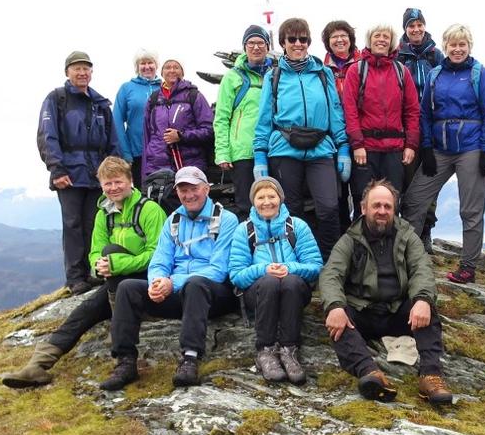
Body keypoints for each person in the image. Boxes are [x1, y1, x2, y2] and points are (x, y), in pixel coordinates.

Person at [2, 157, 166, 388]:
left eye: (118, 182)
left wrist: (116, 264)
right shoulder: (103, 214)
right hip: (115, 283)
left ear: (130, 181)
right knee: (85, 309)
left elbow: (158, 254)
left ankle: (121, 341)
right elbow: (95, 251)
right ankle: (38, 365)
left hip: (145, 281)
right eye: (107, 184)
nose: (113, 188)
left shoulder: (150, 210)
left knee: (111, 257)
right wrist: (99, 266)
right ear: (101, 186)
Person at [99, 166, 240, 391]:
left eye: (193, 188)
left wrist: (173, 282)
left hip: (214, 294)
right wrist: (157, 282)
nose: (188, 194)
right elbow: (159, 261)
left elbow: (218, 270)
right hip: (177, 293)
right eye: (182, 190)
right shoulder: (173, 220)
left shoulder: (227, 220)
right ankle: (125, 362)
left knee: (196, 283)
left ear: (206, 189)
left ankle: (190, 359)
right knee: (127, 288)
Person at [319, 180, 451, 405]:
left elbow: (422, 269)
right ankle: (370, 373)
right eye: (376, 205)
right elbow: (330, 275)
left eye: (387, 206)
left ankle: (431, 376)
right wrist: (334, 306)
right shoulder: (350, 239)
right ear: (364, 208)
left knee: (427, 307)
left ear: (394, 209)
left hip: (398, 311)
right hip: (363, 311)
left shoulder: (407, 235)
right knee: (338, 319)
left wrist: (421, 299)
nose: (382, 211)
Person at [401, 24, 485, 284]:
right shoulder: (436, 75)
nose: (457, 49)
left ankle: (467, 267)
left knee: (471, 210)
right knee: (413, 200)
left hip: (471, 147)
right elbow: (424, 113)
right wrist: (427, 148)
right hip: (440, 149)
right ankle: (408, 260)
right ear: (445, 47)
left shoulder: (479, 73)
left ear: (469, 46)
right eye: (452, 45)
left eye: (462, 44)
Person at [253, 18, 350, 260]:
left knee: (329, 208)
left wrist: (344, 147)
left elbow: (335, 111)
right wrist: (260, 155)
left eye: (303, 39)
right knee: (291, 211)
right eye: (292, 39)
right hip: (284, 150)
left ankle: (332, 263)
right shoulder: (273, 77)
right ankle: (298, 262)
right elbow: (265, 117)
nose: (298, 44)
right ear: (283, 42)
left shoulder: (323, 73)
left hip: (321, 149)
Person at [37, 50, 119, 295]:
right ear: (67, 72)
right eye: (77, 68)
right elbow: (46, 135)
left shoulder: (101, 103)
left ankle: (92, 272)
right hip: (69, 174)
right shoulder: (56, 99)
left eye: (86, 68)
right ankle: (75, 278)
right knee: (72, 224)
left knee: (94, 224)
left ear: (91, 72)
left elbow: (112, 140)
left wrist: (113, 171)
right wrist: (56, 169)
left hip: (96, 175)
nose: (82, 73)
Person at [228, 177, 323, 385]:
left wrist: (289, 268)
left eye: (272, 196)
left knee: (289, 281)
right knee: (270, 282)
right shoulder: (244, 230)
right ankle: (265, 350)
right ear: (253, 201)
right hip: (260, 292)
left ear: (280, 199)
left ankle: (289, 349)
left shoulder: (297, 226)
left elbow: (315, 266)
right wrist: (264, 269)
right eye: (260, 197)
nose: (267, 202)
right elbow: (236, 274)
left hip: (294, 290)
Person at [342, 24, 420, 217]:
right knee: (363, 200)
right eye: (377, 35)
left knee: (391, 201)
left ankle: (391, 246)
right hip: (365, 149)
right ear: (370, 39)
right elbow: (349, 110)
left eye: (386, 36)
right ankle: (361, 246)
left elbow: (412, 110)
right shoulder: (356, 71)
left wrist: (410, 144)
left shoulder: (401, 72)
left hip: (394, 149)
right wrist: (357, 144)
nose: (382, 39)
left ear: (392, 42)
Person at [396, 8, 446, 251]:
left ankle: (426, 230)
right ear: (405, 29)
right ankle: (406, 232)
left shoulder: (436, 56)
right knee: (407, 183)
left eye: (419, 24)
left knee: (430, 183)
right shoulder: (398, 57)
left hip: (433, 130)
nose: (416, 29)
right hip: (405, 130)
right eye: (410, 25)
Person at [214, 25, 276, 221]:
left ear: (267, 46)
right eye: (251, 43)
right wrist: (222, 152)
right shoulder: (233, 77)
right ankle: (250, 247)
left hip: (273, 148)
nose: (256, 47)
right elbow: (221, 117)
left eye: (260, 43)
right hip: (243, 152)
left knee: (276, 203)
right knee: (246, 206)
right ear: (245, 47)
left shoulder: (276, 74)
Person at [141, 59, 215, 187]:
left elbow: (209, 130)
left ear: (182, 72)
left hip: (190, 165)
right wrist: (145, 172)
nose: (172, 70)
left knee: (190, 203)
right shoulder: (153, 99)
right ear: (162, 73)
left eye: (176, 67)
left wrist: (181, 136)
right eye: (167, 67)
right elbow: (147, 137)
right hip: (157, 167)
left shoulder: (194, 96)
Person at [321, 20, 362, 233]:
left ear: (351, 39)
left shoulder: (363, 63)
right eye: (334, 37)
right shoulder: (321, 69)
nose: (339, 40)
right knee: (337, 191)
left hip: (362, 136)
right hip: (334, 136)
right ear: (328, 42)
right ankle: (343, 235)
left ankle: (362, 234)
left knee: (360, 188)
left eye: (343, 35)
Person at [114, 49, 161, 184]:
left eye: (150, 62)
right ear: (137, 67)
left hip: (163, 153)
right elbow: (116, 122)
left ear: (156, 65)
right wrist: (126, 153)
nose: (147, 67)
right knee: (142, 195)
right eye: (142, 63)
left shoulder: (165, 87)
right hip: (137, 153)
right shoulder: (127, 88)